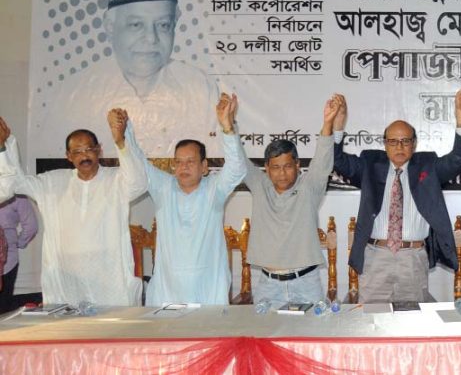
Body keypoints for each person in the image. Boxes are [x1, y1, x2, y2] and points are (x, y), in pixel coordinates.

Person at [44, 0, 218, 158]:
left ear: (175, 23)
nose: (151, 38)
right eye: (136, 25)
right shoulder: (74, 93)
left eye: (163, 25)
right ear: (110, 25)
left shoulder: (200, 88)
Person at [0, 110, 148, 305]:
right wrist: (3, 148)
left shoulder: (117, 180)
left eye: (89, 149)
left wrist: (121, 142)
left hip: (109, 282)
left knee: (110, 331)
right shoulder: (52, 182)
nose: (84, 156)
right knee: (68, 331)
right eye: (77, 152)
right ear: (68, 156)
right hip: (66, 281)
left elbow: (139, 182)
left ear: (99, 150)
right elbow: (14, 185)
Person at [333, 93, 461, 303]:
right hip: (376, 257)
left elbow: (458, 159)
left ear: (414, 144)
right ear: (385, 144)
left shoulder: (428, 166)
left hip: (412, 258)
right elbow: (337, 160)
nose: (399, 147)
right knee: (373, 320)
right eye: (393, 142)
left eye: (405, 141)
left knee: (412, 321)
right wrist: (338, 128)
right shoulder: (369, 165)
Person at [143, 93, 247, 306]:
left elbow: (237, 168)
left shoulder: (214, 190)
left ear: (204, 166)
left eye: (191, 161)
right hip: (168, 292)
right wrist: (121, 140)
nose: (184, 167)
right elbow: (139, 166)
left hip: (208, 289)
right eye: (179, 162)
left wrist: (227, 127)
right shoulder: (164, 188)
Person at [244, 95, 341, 306]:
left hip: (306, 283)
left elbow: (322, 161)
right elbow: (238, 161)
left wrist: (327, 124)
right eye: (276, 167)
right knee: (264, 338)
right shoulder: (260, 186)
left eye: (288, 166)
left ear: (297, 165)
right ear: (266, 168)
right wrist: (227, 128)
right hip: (268, 285)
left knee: (309, 338)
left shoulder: (309, 188)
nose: (282, 173)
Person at [0, 196, 38, 303]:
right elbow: (31, 226)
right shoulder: (16, 196)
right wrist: (18, 243)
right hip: (7, 259)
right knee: (3, 308)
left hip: (7, 258)